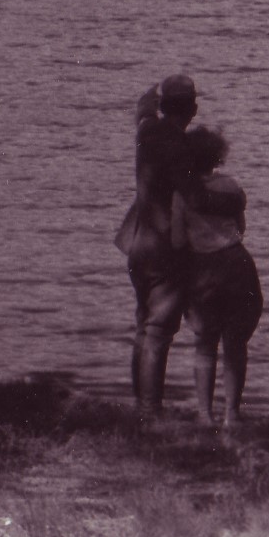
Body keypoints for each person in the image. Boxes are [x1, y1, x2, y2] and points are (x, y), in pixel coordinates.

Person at [114, 73, 197, 417]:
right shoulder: (179, 146)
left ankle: (141, 404)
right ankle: (150, 410)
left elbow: (143, 109)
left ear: (164, 106)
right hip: (164, 246)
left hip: (138, 243)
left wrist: (151, 92)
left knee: (143, 324)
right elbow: (192, 194)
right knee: (159, 329)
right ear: (192, 109)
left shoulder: (147, 131)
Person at [173, 124, 262, 434]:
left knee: (205, 344)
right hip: (238, 263)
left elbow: (176, 239)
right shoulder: (232, 186)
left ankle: (204, 414)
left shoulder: (183, 194)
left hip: (204, 267)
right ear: (218, 157)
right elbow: (240, 228)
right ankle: (233, 414)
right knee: (236, 343)